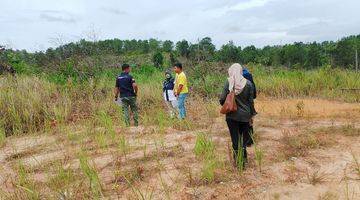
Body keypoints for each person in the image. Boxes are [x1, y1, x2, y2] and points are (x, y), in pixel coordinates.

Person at [219, 63, 256, 168]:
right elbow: (251, 102)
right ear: (240, 71)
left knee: (235, 140)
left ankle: (239, 163)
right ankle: (244, 159)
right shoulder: (248, 84)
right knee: (243, 140)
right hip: (245, 116)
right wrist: (252, 115)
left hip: (232, 117)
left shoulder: (229, 82)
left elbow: (222, 99)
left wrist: (226, 104)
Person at [242, 66, 257, 146]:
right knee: (249, 122)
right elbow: (254, 95)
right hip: (249, 104)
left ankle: (244, 140)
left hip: (240, 104)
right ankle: (250, 140)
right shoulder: (250, 78)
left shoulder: (238, 78)